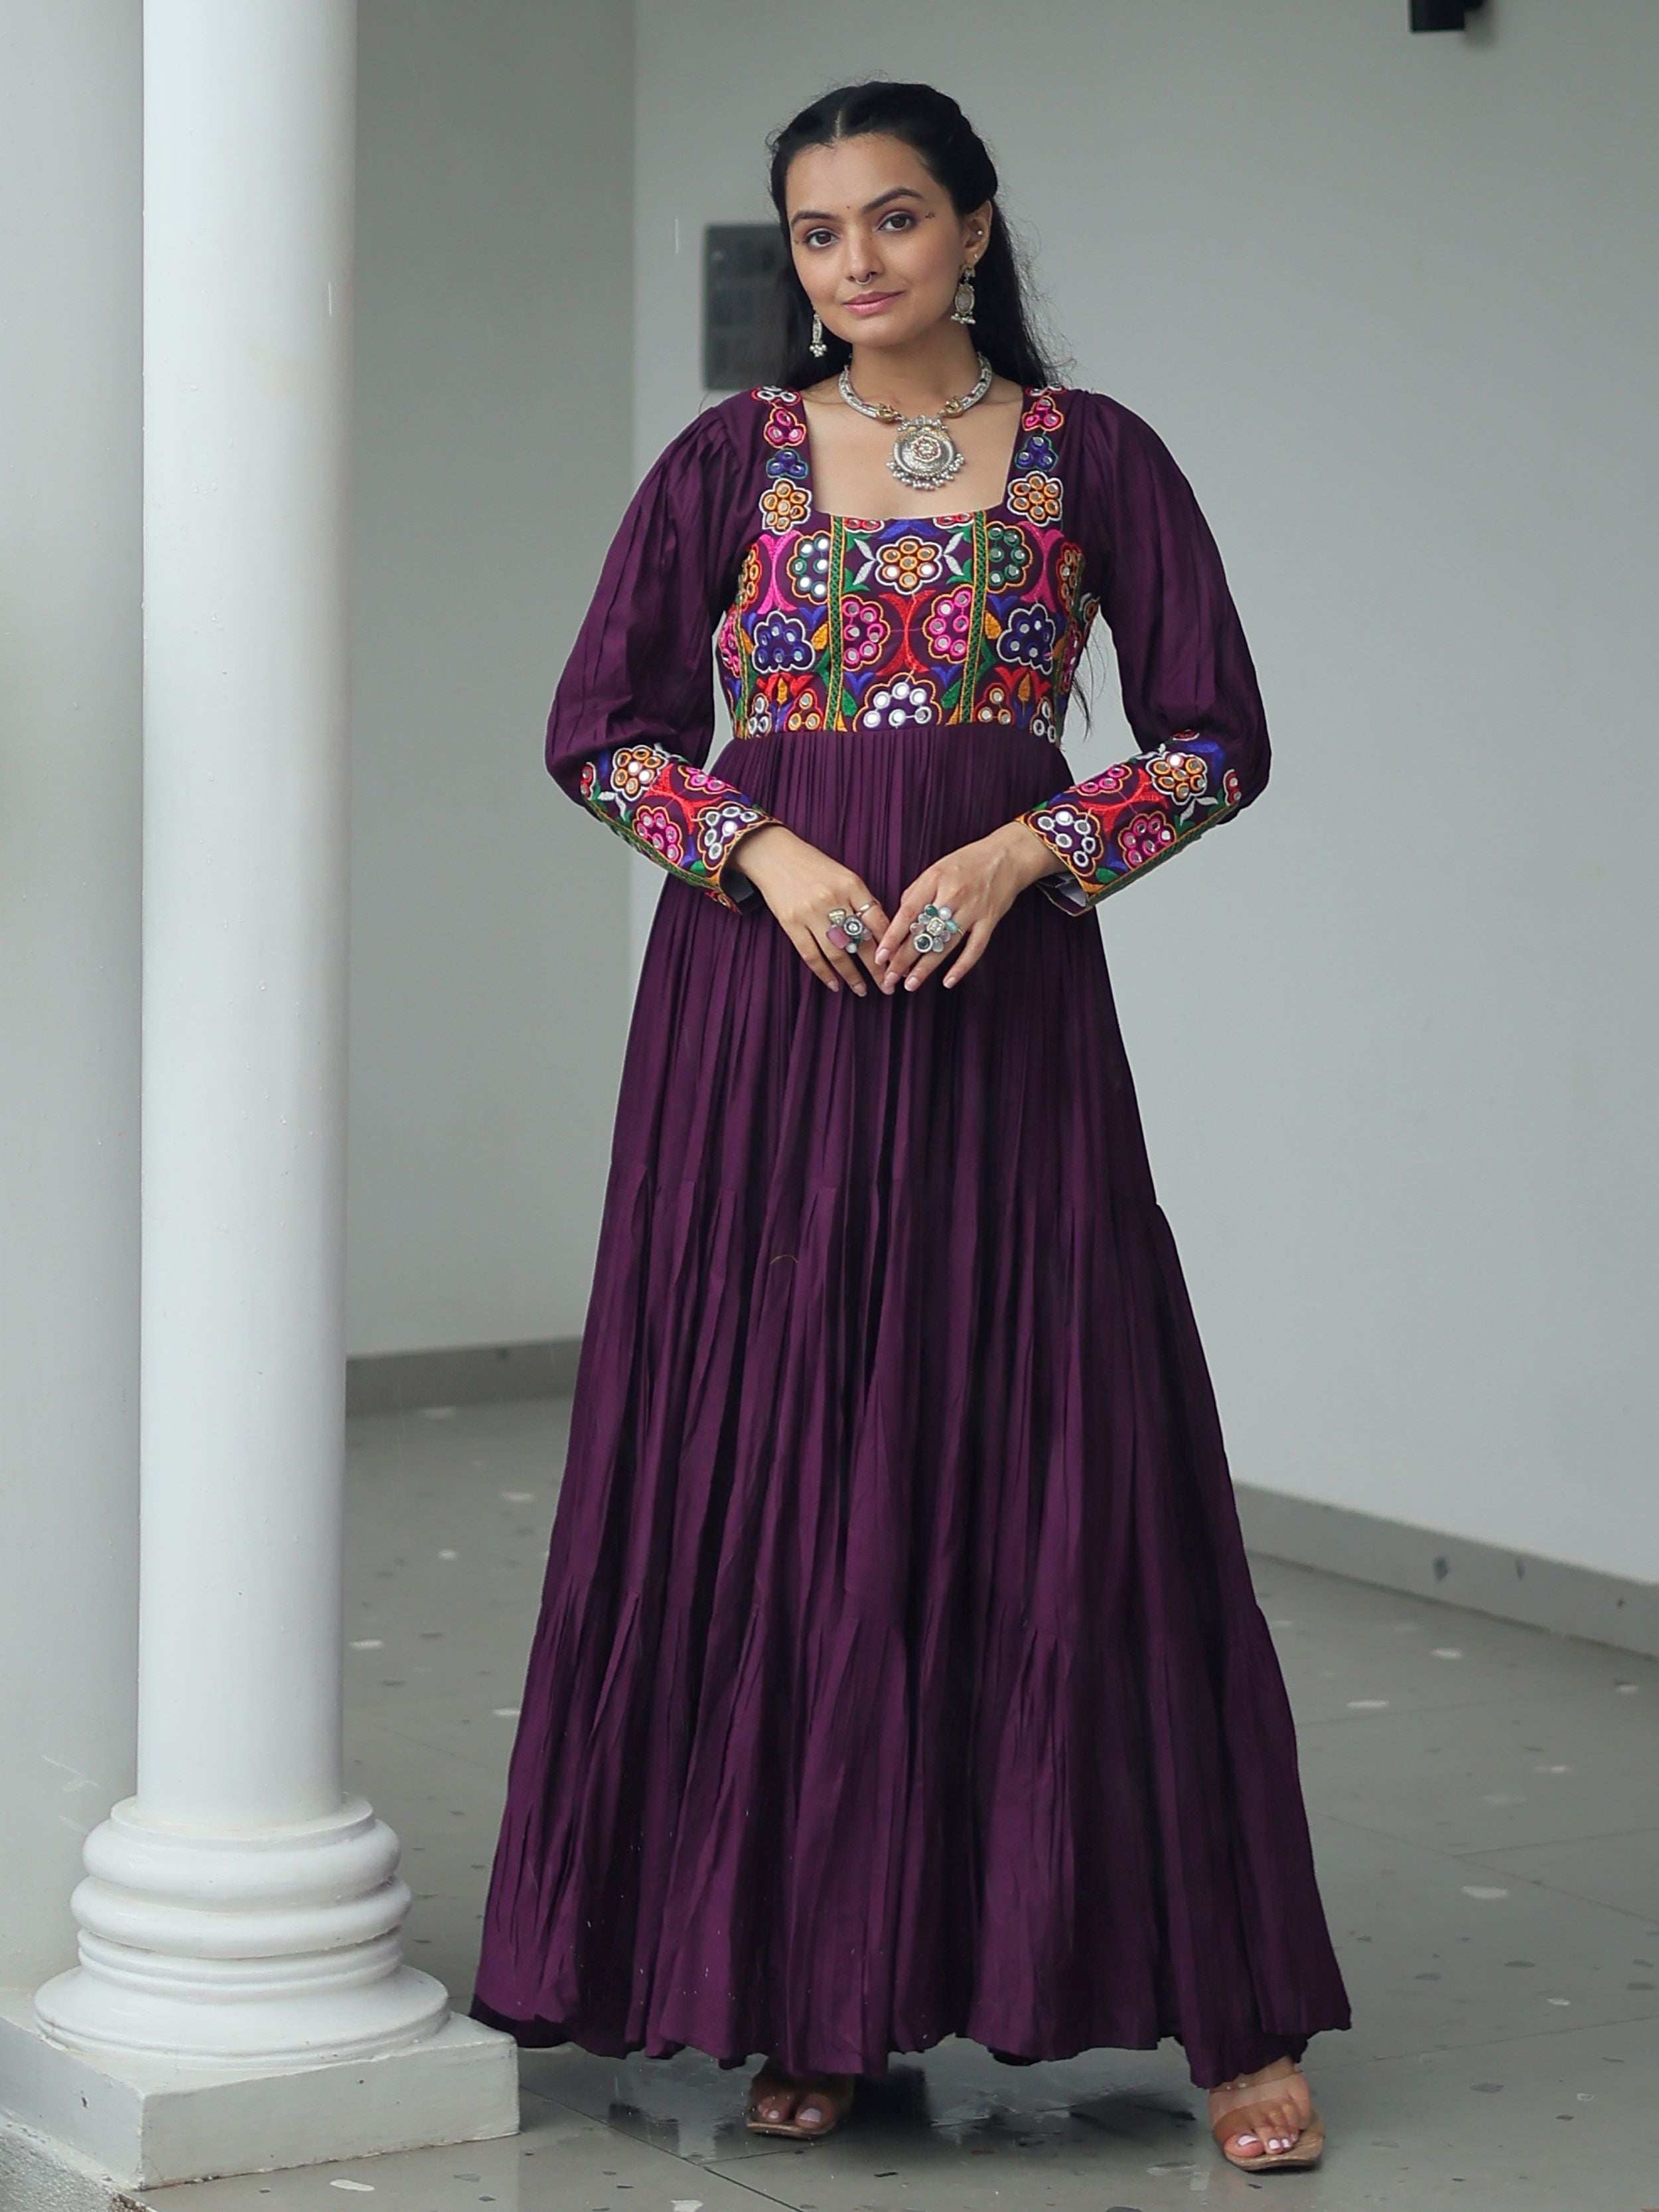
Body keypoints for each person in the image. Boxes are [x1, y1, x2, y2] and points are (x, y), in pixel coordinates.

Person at [470, 78, 1350, 2175]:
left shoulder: (1093, 456)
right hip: (757, 1023)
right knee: (781, 1449)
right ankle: (813, 1992)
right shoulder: (726, 462)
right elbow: (599, 733)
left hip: (997, 1015)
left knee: (1066, 1446)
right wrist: (761, 852)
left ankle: (1226, 2001)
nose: (854, 261)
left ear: (971, 226)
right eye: (815, 231)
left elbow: (1216, 737)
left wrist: (1030, 849)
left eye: (891, 218)